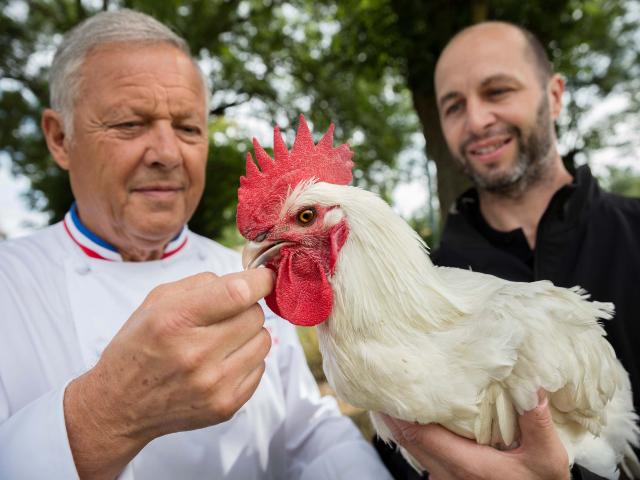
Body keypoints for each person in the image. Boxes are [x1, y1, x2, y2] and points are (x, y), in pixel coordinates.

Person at [0, 9, 392, 479]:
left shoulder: (250, 274)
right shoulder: (10, 284)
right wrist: (105, 416)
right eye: (129, 124)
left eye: (188, 128)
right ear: (59, 138)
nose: (167, 154)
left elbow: (308, 430)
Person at [378, 21, 640, 480]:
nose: (476, 121)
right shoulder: (420, 285)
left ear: (555, 95)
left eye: (497, 91)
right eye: (454, 106)